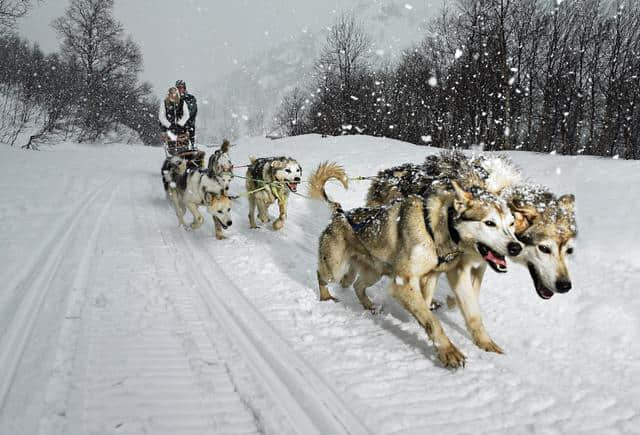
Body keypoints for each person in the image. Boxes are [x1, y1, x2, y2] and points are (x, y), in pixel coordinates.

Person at [159, 86, 190, 154]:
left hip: (181, 127)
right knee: (172, 146)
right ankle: (172, 153)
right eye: (171, 93)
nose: (173, 94)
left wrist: (180, 124)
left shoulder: (182, 102)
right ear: (168, 94)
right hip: (170, 127)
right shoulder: (164, 103)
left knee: (183, 144)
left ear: (177, 93)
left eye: (174, 93)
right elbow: (161, 116)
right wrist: (169, 125)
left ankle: (183, 152)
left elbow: (186, 114)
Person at [175, 80, 197, 145]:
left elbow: (193, 110)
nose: (180, 89)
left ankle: (191, 145)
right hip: (177, 125)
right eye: (178, 88)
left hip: (189, 123)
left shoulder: (190, 98)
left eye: (181, 87)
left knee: (188, 133)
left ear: (184, 88)